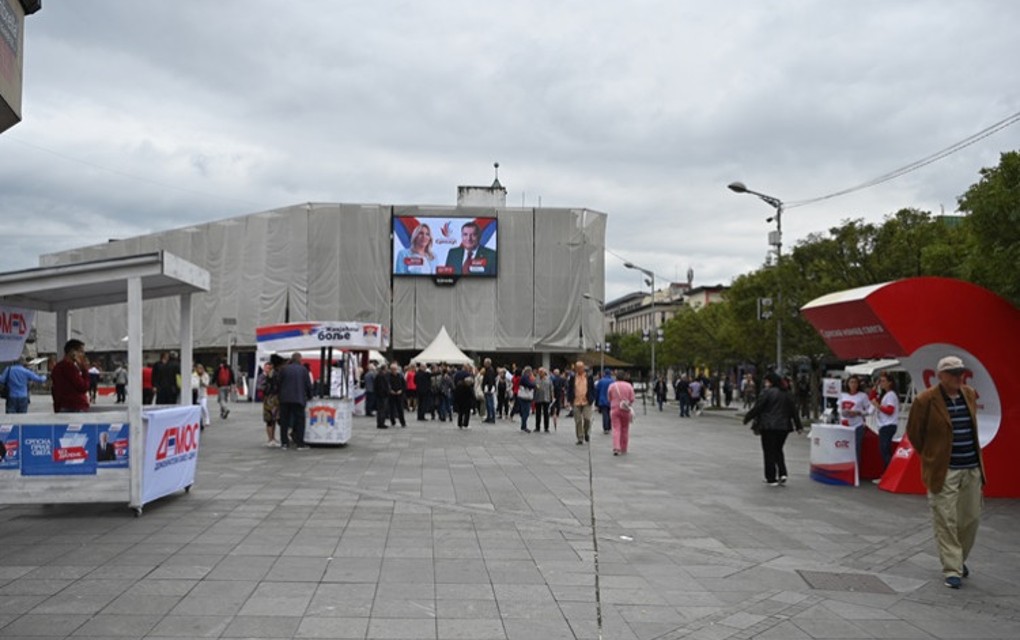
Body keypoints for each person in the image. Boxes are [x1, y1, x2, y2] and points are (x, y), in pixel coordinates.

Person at [905, 355, 984, 590]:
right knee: (946, 520)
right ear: (940, 376)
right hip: (944, 470)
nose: (959, 377)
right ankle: (952, 568)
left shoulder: (968, 394)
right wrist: (932, 456)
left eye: (961, 373)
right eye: (953, 373)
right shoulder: (925, 400)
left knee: (971, 518)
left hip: (971, 467)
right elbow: (915, 433)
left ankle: (958, 557)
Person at [743, 372, 803, 486]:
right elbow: (794, 411)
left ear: (770, 382)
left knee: (769, 451)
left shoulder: (767, 393)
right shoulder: (787, 394)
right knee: (778, 450)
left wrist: (748, 417)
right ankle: (782, 473)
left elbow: (758, 407)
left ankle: (771, 477)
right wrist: (798, 425)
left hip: (768, 426)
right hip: (784, 427)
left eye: (766, 381)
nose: (765, 384)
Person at [277, 353, 313, 449]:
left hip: (284, 399)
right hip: (298, 398)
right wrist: (310, 396)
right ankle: (300, 443)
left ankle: (284, 443)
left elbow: (278, 383)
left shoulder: (284, 369)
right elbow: (308, 385)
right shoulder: (303, 370)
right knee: (300, 421)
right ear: (300, 359)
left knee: (284, 421)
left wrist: (279, 396)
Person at [837, 375, 870, 467]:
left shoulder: (863, 396)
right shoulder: (842, 395)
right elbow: (838, 409)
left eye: (855, 382)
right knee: (843, 448)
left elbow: (869, 410)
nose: (853, 384)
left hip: (857, 426)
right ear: (847, 384)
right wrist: (844, 413)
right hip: (844, 426)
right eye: (851, 382)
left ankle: (855, 471)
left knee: (856, 448)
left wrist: (858, 413)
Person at [870, 372, 900, 472]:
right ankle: (888, 472)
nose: (881, 384)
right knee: (885, 450)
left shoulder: (891, 395)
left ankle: (889, 472)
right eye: (880, 381)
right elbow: (872, 398)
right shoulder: (886, 395)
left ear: (889, 383)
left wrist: (878, 406)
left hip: (888, 424)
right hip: (885, 425)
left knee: (885, 450)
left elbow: (890, 410)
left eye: (883, 381)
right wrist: (875, 386)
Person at [51, 339, 91, 413]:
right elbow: (83, 387)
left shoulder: (58, 367)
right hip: (75, 407)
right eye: (81, 351)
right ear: (73, 352)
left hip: (62, 406)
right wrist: (84, 370)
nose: (83, 355)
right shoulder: (69, 367)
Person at [566, 361, 596, 445]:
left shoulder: (589, 377)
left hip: (586, 401)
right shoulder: (572, 377)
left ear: (583, 368)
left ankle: (586, 433)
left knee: (587, 419)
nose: (579, 369)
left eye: (580, 367)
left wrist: (592, 398)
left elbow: (593, 388)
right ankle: (580, 437)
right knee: (578, 420)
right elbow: (569, 389)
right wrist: (569, 400)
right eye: (577, 368)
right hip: (576, 401)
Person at [608, 371, 636, 455]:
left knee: (616, 428)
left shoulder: (612, 386)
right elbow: (632, 399)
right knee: (625, 429)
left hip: (615, 409)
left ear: (616, 377)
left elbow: (609, 397)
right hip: (625, 409)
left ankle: (616, 447)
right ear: (624, 377)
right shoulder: (629, 386)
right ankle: (624, 447)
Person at [260, 355, 284, 446]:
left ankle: (271, 438)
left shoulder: (268, 372)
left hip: (268, 398)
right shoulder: (276, 373)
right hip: (274, 398)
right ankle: (271, 438)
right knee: (272, 419)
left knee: (270, 420)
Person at [533, 368, 553, 434]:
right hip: (538, 398)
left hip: (546, 398)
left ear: (545, 373)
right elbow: (534, 389)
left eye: (541, 372)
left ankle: (546, 427)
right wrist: (533, 397)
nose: (540, 373)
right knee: (538, 413)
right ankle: (537, 427)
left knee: (546, 414)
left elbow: (551, 389)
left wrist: (552, 397)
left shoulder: (549, 379)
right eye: (539, 372)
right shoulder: (536, 379)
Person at [387, 363, 407, 427]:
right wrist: (390, 390)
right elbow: (387, 384)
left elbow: (404, 385)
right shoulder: (388, 376)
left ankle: (402, 422)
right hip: (391, 395)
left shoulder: (400, 376)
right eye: (392, 369)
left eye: (395, 369)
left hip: (399, 395)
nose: (394, 370)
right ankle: (392, 421)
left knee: (400, 409)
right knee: (391, 409)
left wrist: (401, 390)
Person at [595, 369, 614, 434]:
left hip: (602, 400)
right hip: (611, 400)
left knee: (605, 414)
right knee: (610, 413)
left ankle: (605, 427)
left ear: (604, 373)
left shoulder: (601, 381)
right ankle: (609, 426)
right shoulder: (612, 381)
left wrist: (596, 402)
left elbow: (597, 391)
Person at [373, 363, 391, 429]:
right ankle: (381, 423)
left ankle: (381, 422)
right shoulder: (381, 376)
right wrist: (386, 392)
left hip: (380, 395)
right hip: (382, 396)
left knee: (381, 410)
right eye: (387, 368)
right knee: (382, 410)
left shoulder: (380, 375)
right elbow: (381, 386)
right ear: (384, 368)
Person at [193, 363, 211, 430]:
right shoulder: (194, 375)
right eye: (198, 368)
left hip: (203, 394)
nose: (200, 369)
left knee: (203, 406)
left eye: (201, 368)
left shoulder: (206, 375)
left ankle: (207, 419)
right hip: (196, 395)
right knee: (199, 408)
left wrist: (202, 382)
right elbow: (193, 384)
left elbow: (206, 385)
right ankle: (200, 421)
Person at [482, 358, 497, 423]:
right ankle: (489, 417)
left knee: (490, 404)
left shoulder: (489, 370)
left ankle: (491, 417)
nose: (484, 364)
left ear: (488, 363)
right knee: (488, 404)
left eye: (485, 363)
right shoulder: (489, 370)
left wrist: (489, 388)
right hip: (488, 388)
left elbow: (490, 380)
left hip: (488, 388)